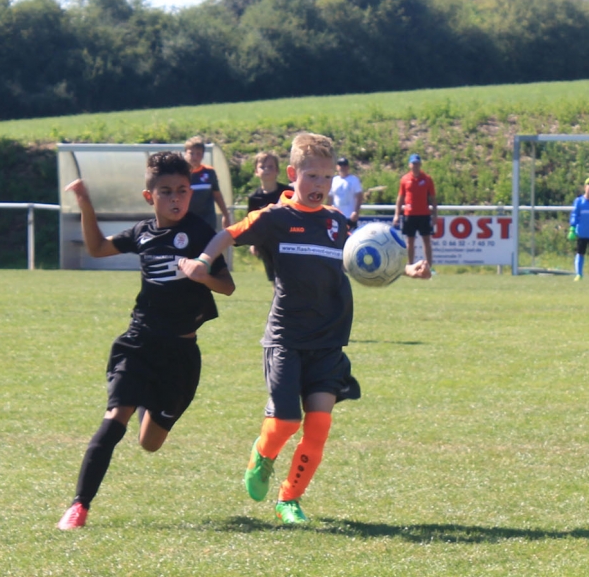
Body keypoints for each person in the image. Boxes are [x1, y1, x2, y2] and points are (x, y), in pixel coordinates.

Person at [180, 133, 431, 525]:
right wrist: (202, 260)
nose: (320, 185)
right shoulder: (275, 218)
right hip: (286, 338)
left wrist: (407, 269)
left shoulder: (336, 222)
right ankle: (263, 454)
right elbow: (228, 234)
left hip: (329, 342)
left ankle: (289, 500)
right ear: (293, 174)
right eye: (312, 176)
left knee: (319, 426)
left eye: (327, 177)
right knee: (285, 422)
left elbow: (366, 259)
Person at [57, 151, 235, 530]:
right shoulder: (142, 233)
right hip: (139, 343)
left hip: (180, 354)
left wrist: (203, 275)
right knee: (114, 418)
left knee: (150, 443)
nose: (175, 198)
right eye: (166, 191)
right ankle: (78, 506)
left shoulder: (201, 232)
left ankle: (146, 399)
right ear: (149, 196)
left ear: (191, 193)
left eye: (182, 190)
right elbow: (97, 248)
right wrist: (86, 204)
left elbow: (228, 286)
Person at [247, 151, 291, 282]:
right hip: (266, 243)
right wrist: (253, 243)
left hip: (287, 240)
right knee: (274, 278)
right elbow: (252, 223)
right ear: (256, 171)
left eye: (270, 167)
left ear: (277, 171)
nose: (266, 170)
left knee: (289, 276)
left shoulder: (288, 192)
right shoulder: (254, 198)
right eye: (262, 167)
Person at [393, 154, 437, 274]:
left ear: (420, 164)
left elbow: (433, 199)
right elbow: (400, 198)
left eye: (417, 164)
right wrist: (397, 214)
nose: (415, 166)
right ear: (409, 165)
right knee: (410, 242)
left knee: (426, 241)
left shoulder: (427, 179)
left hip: (424, 214)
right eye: (413, 164)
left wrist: (435, 215)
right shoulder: (405, 179)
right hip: (409, 214)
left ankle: (429, 267)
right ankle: (410, 266)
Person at [184, 136, 231, 230]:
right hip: (186, 220)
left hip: (207, 220)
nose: (195, 157)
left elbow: (217, 195)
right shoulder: (180, 174)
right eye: (191, 153)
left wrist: (225, 215)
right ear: (185, 154)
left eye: (198, 154)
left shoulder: (209, 172)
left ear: (202, 155)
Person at [328, 156, 363, 229]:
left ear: (348, 167)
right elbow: (330, 197)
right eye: (340, 165)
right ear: (337, 167)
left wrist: (356, 211)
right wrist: (328, 211)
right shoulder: (334, 180)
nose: (342, 167)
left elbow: (359, 197)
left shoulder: (354, 180)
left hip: (349, 216)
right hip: (336, 215)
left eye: (344, 165)